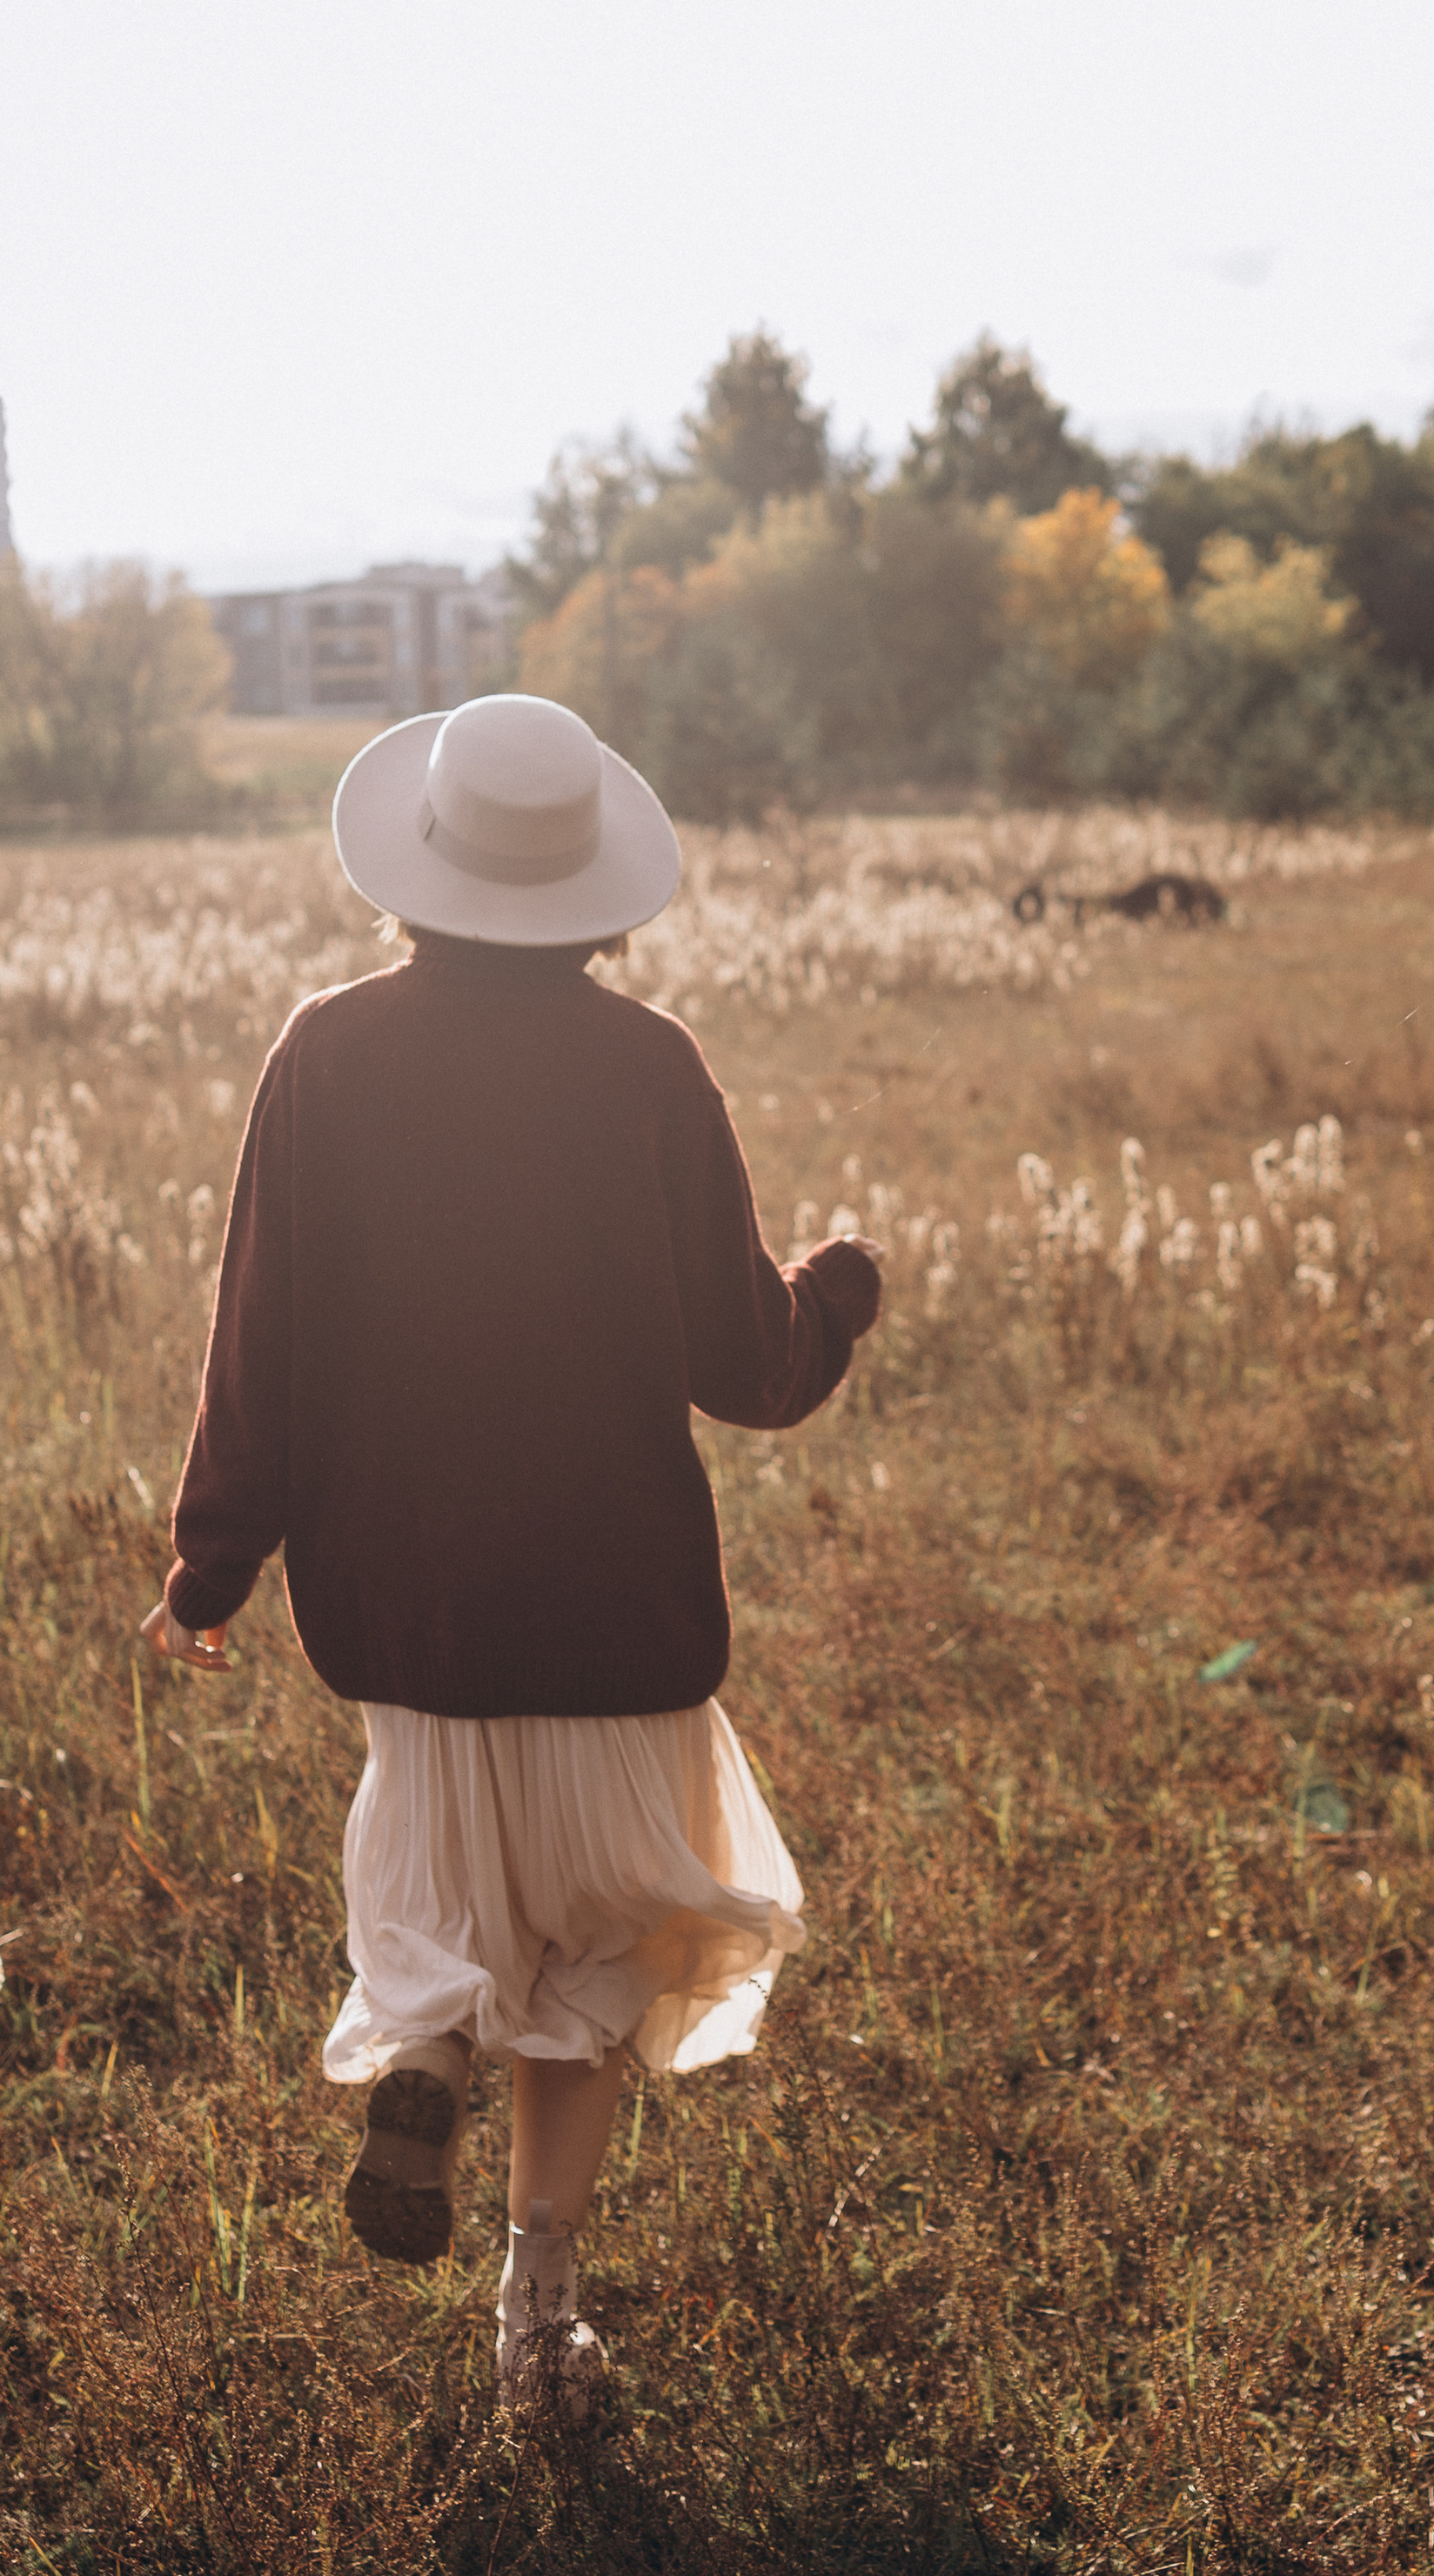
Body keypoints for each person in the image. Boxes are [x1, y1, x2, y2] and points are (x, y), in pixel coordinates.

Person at [137, 693, 881, 2419]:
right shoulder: (649, 1067)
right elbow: (740, 1367)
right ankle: (538, 2318)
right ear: (592, 888)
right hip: (613, 1610)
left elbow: (262, 1342)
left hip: (409, 1612)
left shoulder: (323, 1053)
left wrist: (209, 1569)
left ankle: (420, 2050)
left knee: (450, 1902)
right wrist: (837, 1294)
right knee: (602, 1958)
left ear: (422, 865)